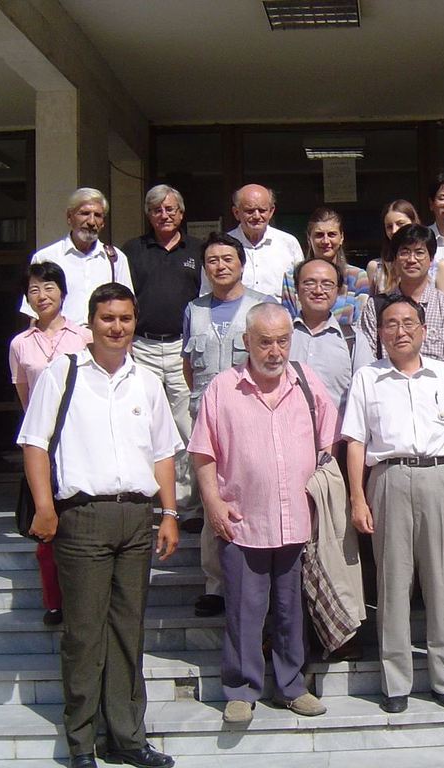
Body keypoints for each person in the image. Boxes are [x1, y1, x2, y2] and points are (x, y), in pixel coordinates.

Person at [18, 282, 181, 768]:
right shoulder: (62, 373)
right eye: (108, 318)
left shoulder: (146, 381)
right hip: (83, 518)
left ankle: (127, 738)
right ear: (90, 323)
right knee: (85, 634)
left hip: (135, 517)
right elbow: (35, 443)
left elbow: (163, 453)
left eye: (125, 319)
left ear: (135, 323)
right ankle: (82, 742)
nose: (117, 327)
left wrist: (169, 513)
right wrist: (44, 507)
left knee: (128, 632)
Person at [188, 303, 335, 725]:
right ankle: (241, 689)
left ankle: (292, 687)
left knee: (292, 611)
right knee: (243, 611)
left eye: (283, 341)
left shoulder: (306, 382)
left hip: (296, 520)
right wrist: (213, 503)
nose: (275, 351)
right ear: (246, 342)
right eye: (265, 342)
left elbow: (328, 439)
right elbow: (203, 452)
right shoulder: (223, 388)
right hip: (242, 520)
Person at [342, 295, 444, 714]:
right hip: (389, 479)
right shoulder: (368, 378)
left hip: (439, 477)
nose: (400, 331)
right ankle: (396, 681)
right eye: (390, 324)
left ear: (423, 330)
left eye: (408, 323)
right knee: (393, 583)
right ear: (380, 333)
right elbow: (356, 441)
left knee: (441, 581)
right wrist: (357, 497)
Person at [183, 232, 277, 618]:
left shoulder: (262, 306)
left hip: (253, 418)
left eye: (227, 259)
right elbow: (189, 368)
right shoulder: (193, 310)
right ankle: (216, 585)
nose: (220, 266)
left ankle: (256, 580)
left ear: (241, 263)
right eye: (212, 261)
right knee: (212, 500)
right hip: (206, 421)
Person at [9, 261, 93, 626]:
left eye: (48, 288)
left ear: (63, 292)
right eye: (34, 290)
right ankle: (54, 602)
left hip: (81, 439)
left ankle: (83, 599)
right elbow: (25, 397)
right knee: (46, 527)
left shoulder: (84, 337)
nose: (41, 296)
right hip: (43, 444)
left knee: (80, 523)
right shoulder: (19, 344)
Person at [123, 184, 203, 519]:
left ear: (181, 213)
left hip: (182, 349)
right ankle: (145, 500)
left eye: (170, 209)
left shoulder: (198, 250)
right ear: (149, 214)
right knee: (142, 422)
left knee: (185, 427)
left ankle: (184, 506)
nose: (164, 215)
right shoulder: (132, 250)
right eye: (157, 210)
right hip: (142, 346)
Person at [359, 224, 444, 369]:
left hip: (436, 383)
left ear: (431, 259)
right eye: (405, 252)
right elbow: (364, 359)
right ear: (395, 259)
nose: (411, 259)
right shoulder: (375, 307)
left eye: (419, 253)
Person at [20, 188, 133, 326]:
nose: (91, 221)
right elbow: (33, 312)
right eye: (84, 213)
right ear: (69, 217)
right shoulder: (46, 257)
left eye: (98, 215)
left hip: (102, 337)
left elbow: (127, 306)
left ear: (103, 223)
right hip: (61, 337)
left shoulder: (115, 259)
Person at [289, 258, 374, 422]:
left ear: (338, 291)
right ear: (297, 289)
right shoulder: (282, 337)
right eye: (309, 283)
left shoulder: (353, 339)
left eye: (327, 284)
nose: (318, 290)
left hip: (337, 435)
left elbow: (366, 394)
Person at [282, 207, 369, 326]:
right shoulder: (291, 278)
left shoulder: (358, 277)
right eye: (319, 235)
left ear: (341, 238)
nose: (325, 241)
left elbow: (361, 323)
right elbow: (288, 323)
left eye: (332, 234)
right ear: (309, 238)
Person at [214, 184, 304, 297]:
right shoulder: (221, 246)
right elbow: (207, 292)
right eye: (250, 211)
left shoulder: (288, 243)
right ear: (236, 213)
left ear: (271, 211)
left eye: (262, 210)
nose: (257, 216)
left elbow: (302, 287)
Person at [368, 199, 418, 295]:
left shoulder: (436, 266)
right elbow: (371, 303)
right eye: (389, 226)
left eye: (400, 224)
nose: (394, 231)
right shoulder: (376, 267)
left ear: (413, 223)